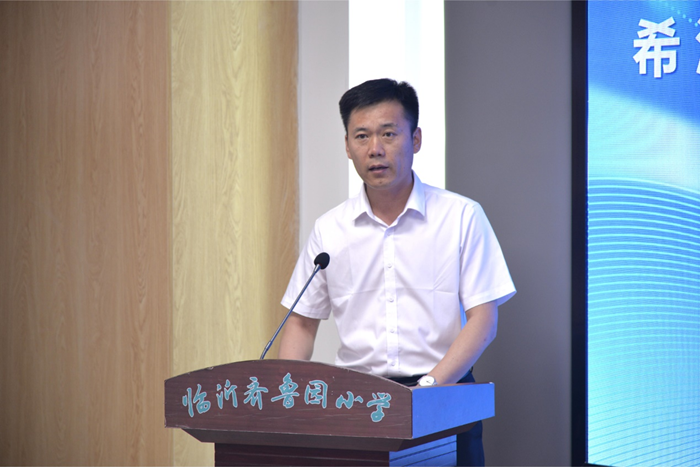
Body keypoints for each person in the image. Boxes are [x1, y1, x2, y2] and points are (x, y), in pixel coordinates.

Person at [278, 78, 515, 466]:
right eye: (362, 136)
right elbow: (301, 323)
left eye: (389, 134)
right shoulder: (330, 229)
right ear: (347, 146)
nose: (375, 149)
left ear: (415, 139)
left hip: (444, 396)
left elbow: (483, 320)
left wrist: (427, 389)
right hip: (355, 403)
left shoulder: (461, 216)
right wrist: (285, 397)